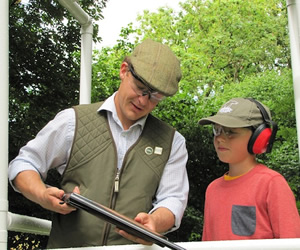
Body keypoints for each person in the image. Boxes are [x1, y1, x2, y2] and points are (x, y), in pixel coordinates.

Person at [8, 39, 189, 248]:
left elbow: (173, 199)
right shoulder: (72, 120)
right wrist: (41, 194)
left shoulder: (173, 142)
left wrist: (155, 222)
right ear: (124, 70)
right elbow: (24, 164)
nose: (143, 101)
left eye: (155, 96)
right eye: (140, 88)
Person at [198, 97, 300, 241]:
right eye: (217, 130)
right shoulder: (213, 189)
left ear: (259, 137)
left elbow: (292, 242)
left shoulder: (271, 184)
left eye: (230, 132)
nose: (220, 138)